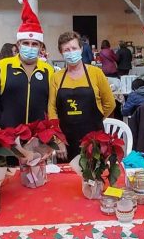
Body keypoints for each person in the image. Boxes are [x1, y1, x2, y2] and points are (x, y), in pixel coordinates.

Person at [0, 0, 54, 129]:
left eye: (34, 44)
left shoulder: (48, 70)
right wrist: (1, 119)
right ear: (19, 44)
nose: (30, 47)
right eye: (26, 43)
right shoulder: (3, 66)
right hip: (10, 135)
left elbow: (52, 102)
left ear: (40, 47)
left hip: (39, 136)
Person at [48, 31, 116, 160]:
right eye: (66, 50)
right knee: (68, 178)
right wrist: (59, 140)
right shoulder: (56, 77)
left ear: (81, 49)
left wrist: (96, 120)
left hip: (94, 140)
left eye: (74, 48)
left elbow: (110, 103)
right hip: (66, 142)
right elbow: (52, 110)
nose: (71, 52)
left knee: (95, 176)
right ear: (61, 53)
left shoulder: (96, 73)